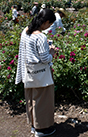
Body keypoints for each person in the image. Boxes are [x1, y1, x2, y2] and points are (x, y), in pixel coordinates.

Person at [15, 9, 57, 137]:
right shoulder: (40, 36)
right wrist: (52, 52)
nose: (48, 28)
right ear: (46, 22)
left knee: (31, 100)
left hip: (29, 72)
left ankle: (34, 125)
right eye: (49, 25)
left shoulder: (26, 31)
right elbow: (44, 59)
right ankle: (42, 129)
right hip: (41, 74)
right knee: (42, 102)